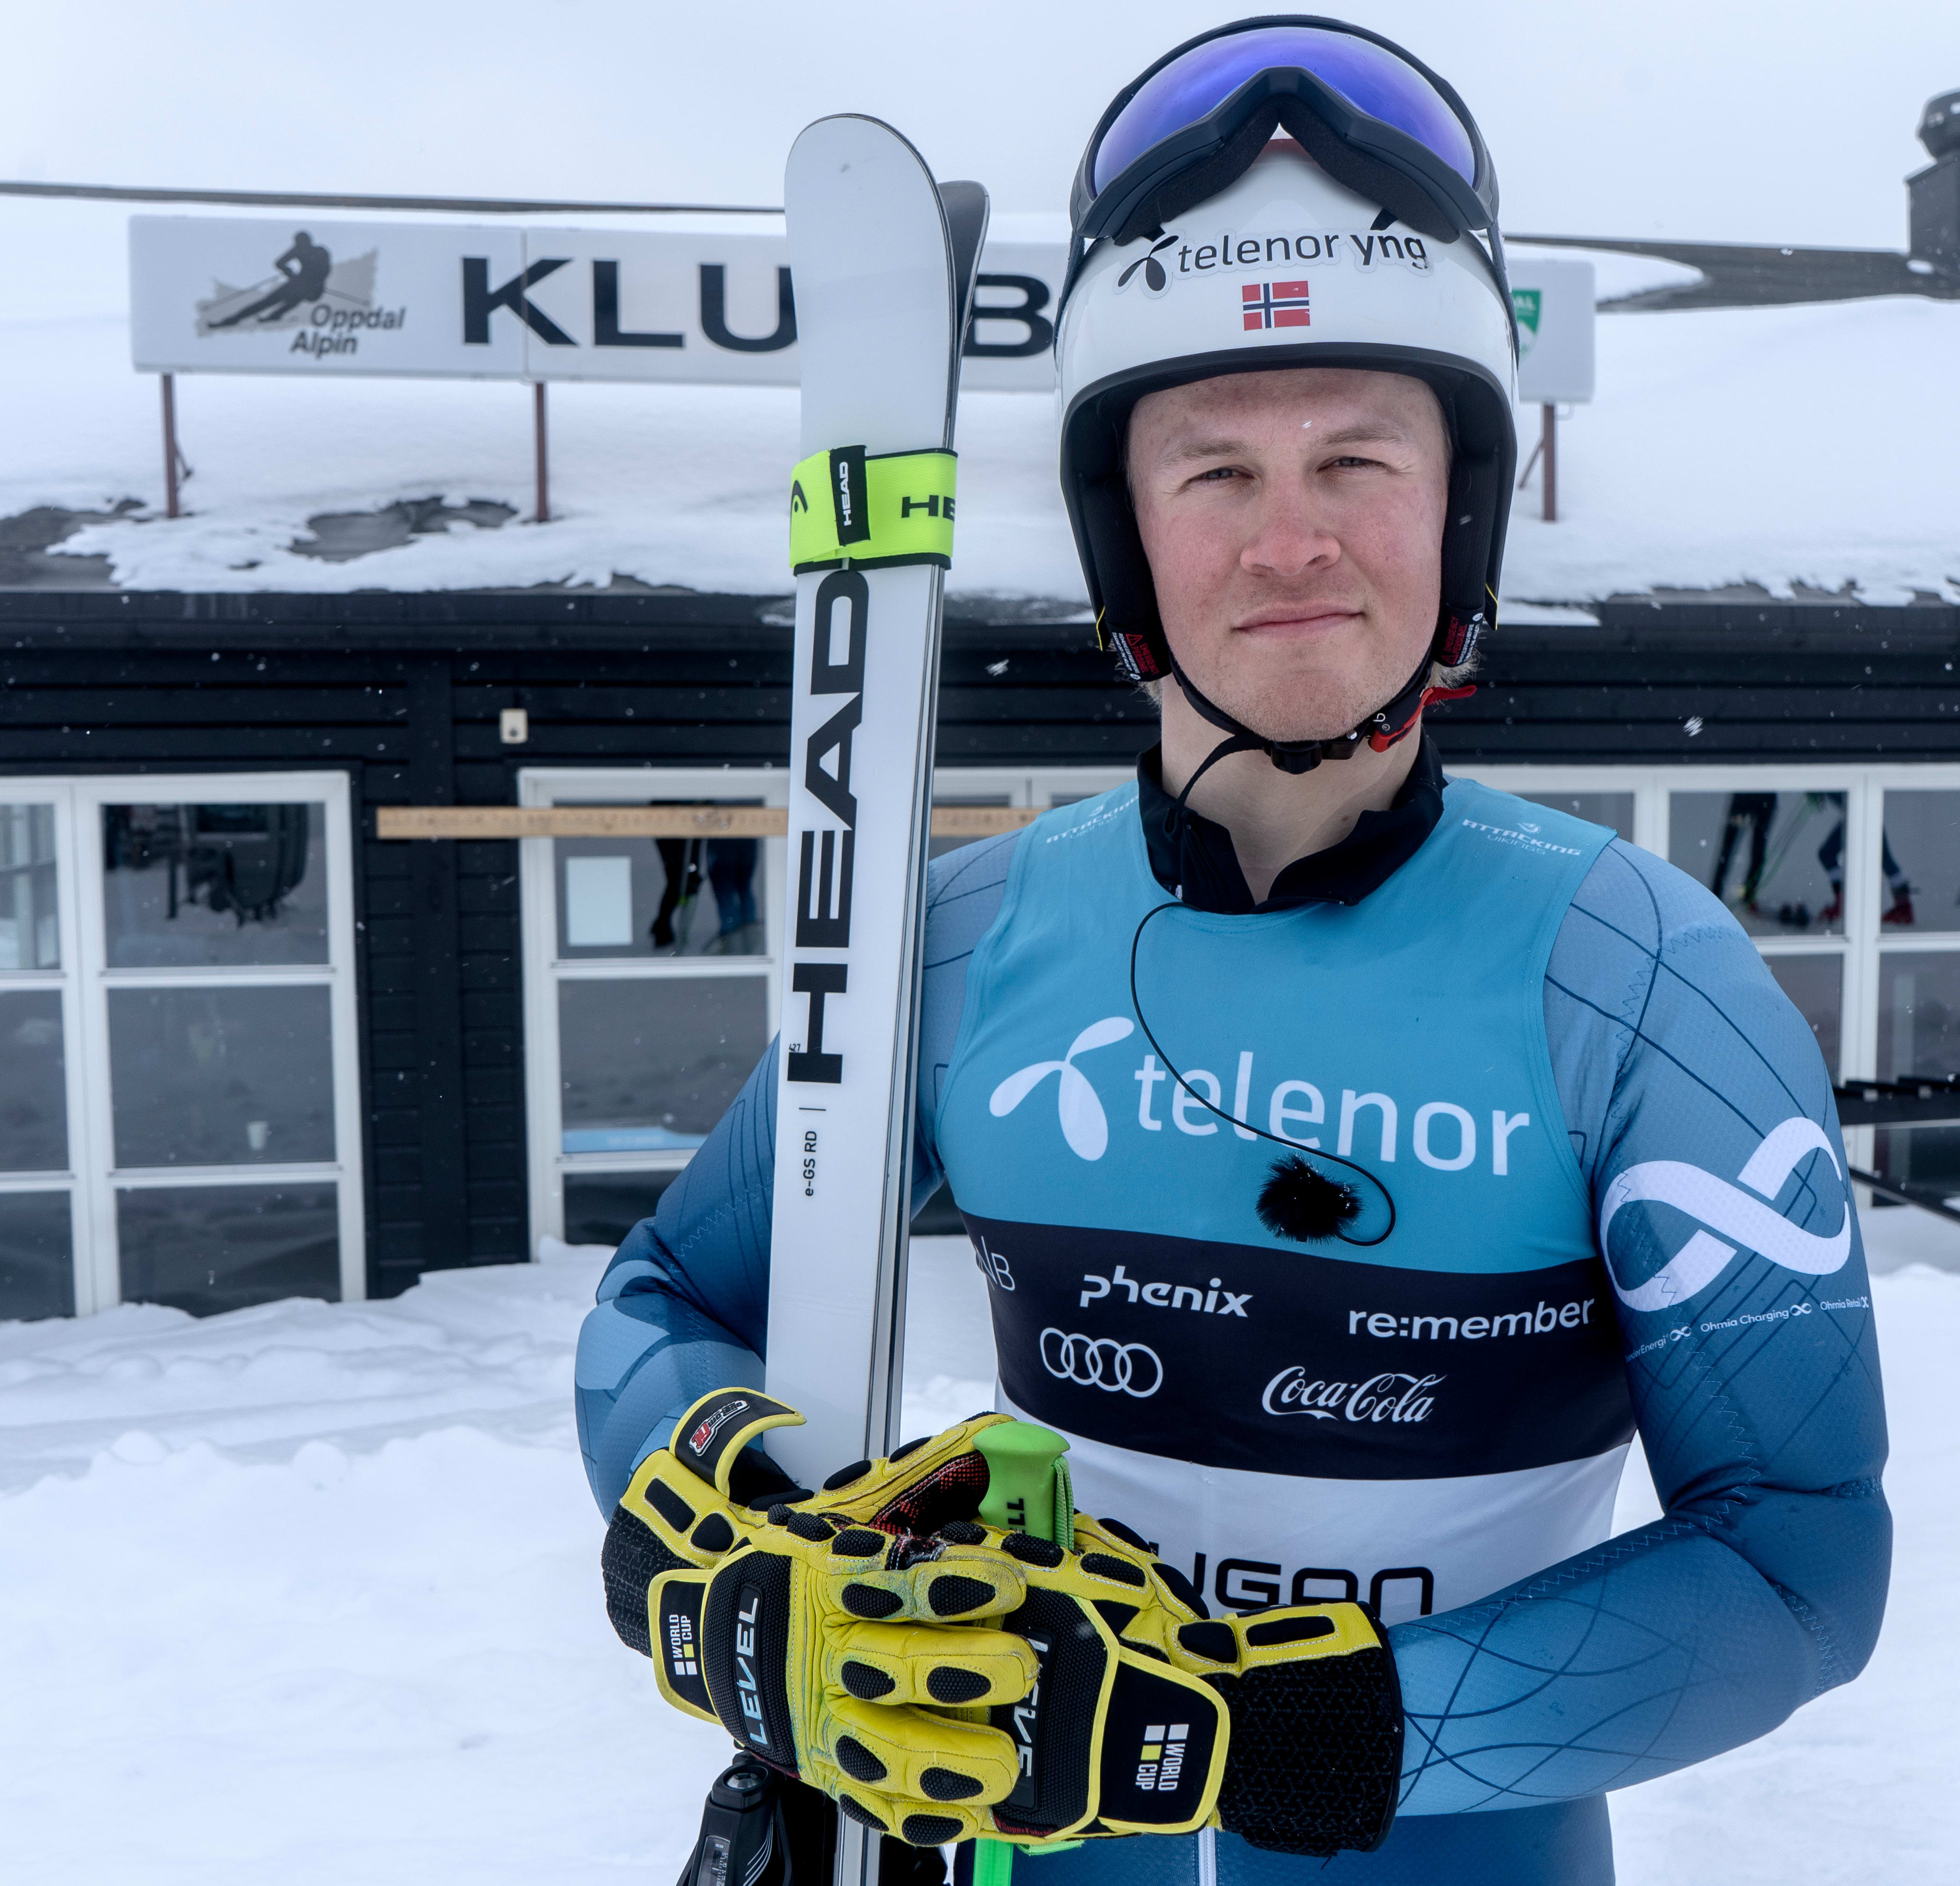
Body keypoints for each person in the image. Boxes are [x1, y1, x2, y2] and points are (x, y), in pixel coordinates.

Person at [576, 19, 1888, 1884]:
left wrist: (1264, 1734)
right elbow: (666, 1300)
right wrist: (740, 1527)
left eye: (1358, 457)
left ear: (1461, 507)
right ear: (1123, 536)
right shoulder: (963, 936)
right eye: (1213, 472)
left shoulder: (1638, 979)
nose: (1293, 544)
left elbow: (1798, 1561)